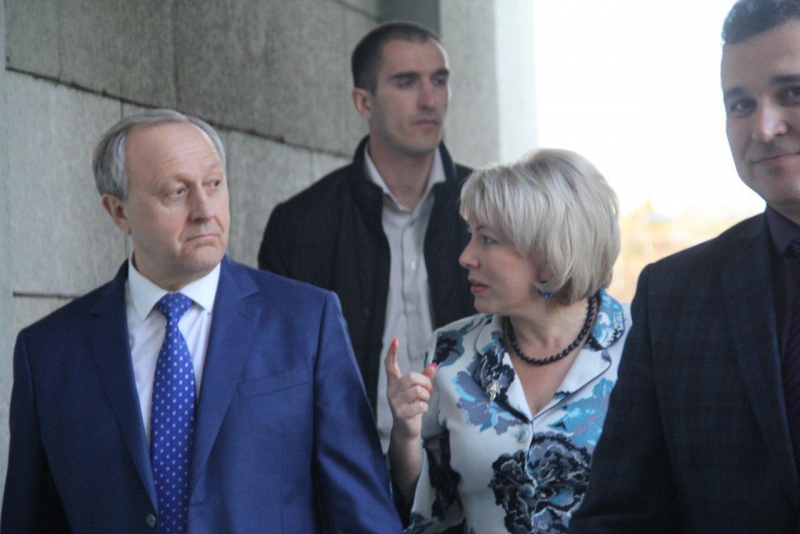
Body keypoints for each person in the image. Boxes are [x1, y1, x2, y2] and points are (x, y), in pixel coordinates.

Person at [1, 109, 402, 533]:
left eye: (213, 184)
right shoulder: (48, 353)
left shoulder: (306, 322)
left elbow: (364, 515)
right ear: (118, 211)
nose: (204, 209)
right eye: (176, 191)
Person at [570, 1, 800, 531]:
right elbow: (620, 514)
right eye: (741, 104)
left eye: (791, 92)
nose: (763, 127)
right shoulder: (672, 296)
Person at [385, 149, 629, 532]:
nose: (466, 256)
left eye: (487, 239)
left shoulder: (643, 343)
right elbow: (430, 513)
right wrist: (405, 434)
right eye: (471, 235)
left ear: (549, 252)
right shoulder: (450, 351)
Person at [258, 22, 474, 454]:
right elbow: (280, 375)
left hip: (473, 468)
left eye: (439, 80)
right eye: (406, 82)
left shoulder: (486, 210)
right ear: (363, 102)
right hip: (353, 473)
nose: (430, 99)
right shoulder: (300, 225)